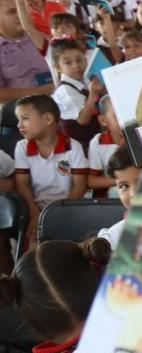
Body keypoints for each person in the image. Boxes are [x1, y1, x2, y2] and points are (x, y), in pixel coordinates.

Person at [13, 93, 88, 247]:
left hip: (69, 206)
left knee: (69, 246)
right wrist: (34, 213)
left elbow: (79, 186)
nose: (19, 124)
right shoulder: (22, 147)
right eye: (18, 119)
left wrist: (58, 212)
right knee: (34, 246)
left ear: (47, 119)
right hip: (35, 208)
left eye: (25, 118)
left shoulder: (73, 147)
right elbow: (22, 184)